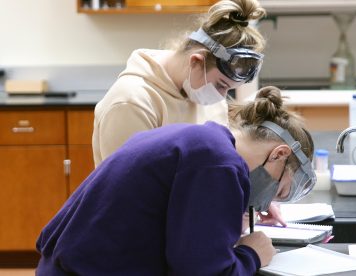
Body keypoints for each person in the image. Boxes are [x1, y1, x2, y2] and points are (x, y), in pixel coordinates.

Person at [36, 86, 315, 275]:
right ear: (279, 154)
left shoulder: (203, 142)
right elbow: (201, 272)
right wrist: (252, 255)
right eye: (278, 190)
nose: (266, 203)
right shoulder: (218, 164)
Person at [92, 0, 266, 167]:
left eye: (229, 88)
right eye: (221, 85)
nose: (222, 96)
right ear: (196, 61)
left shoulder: (208, 97)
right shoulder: (131, 103)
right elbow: (130, 188)